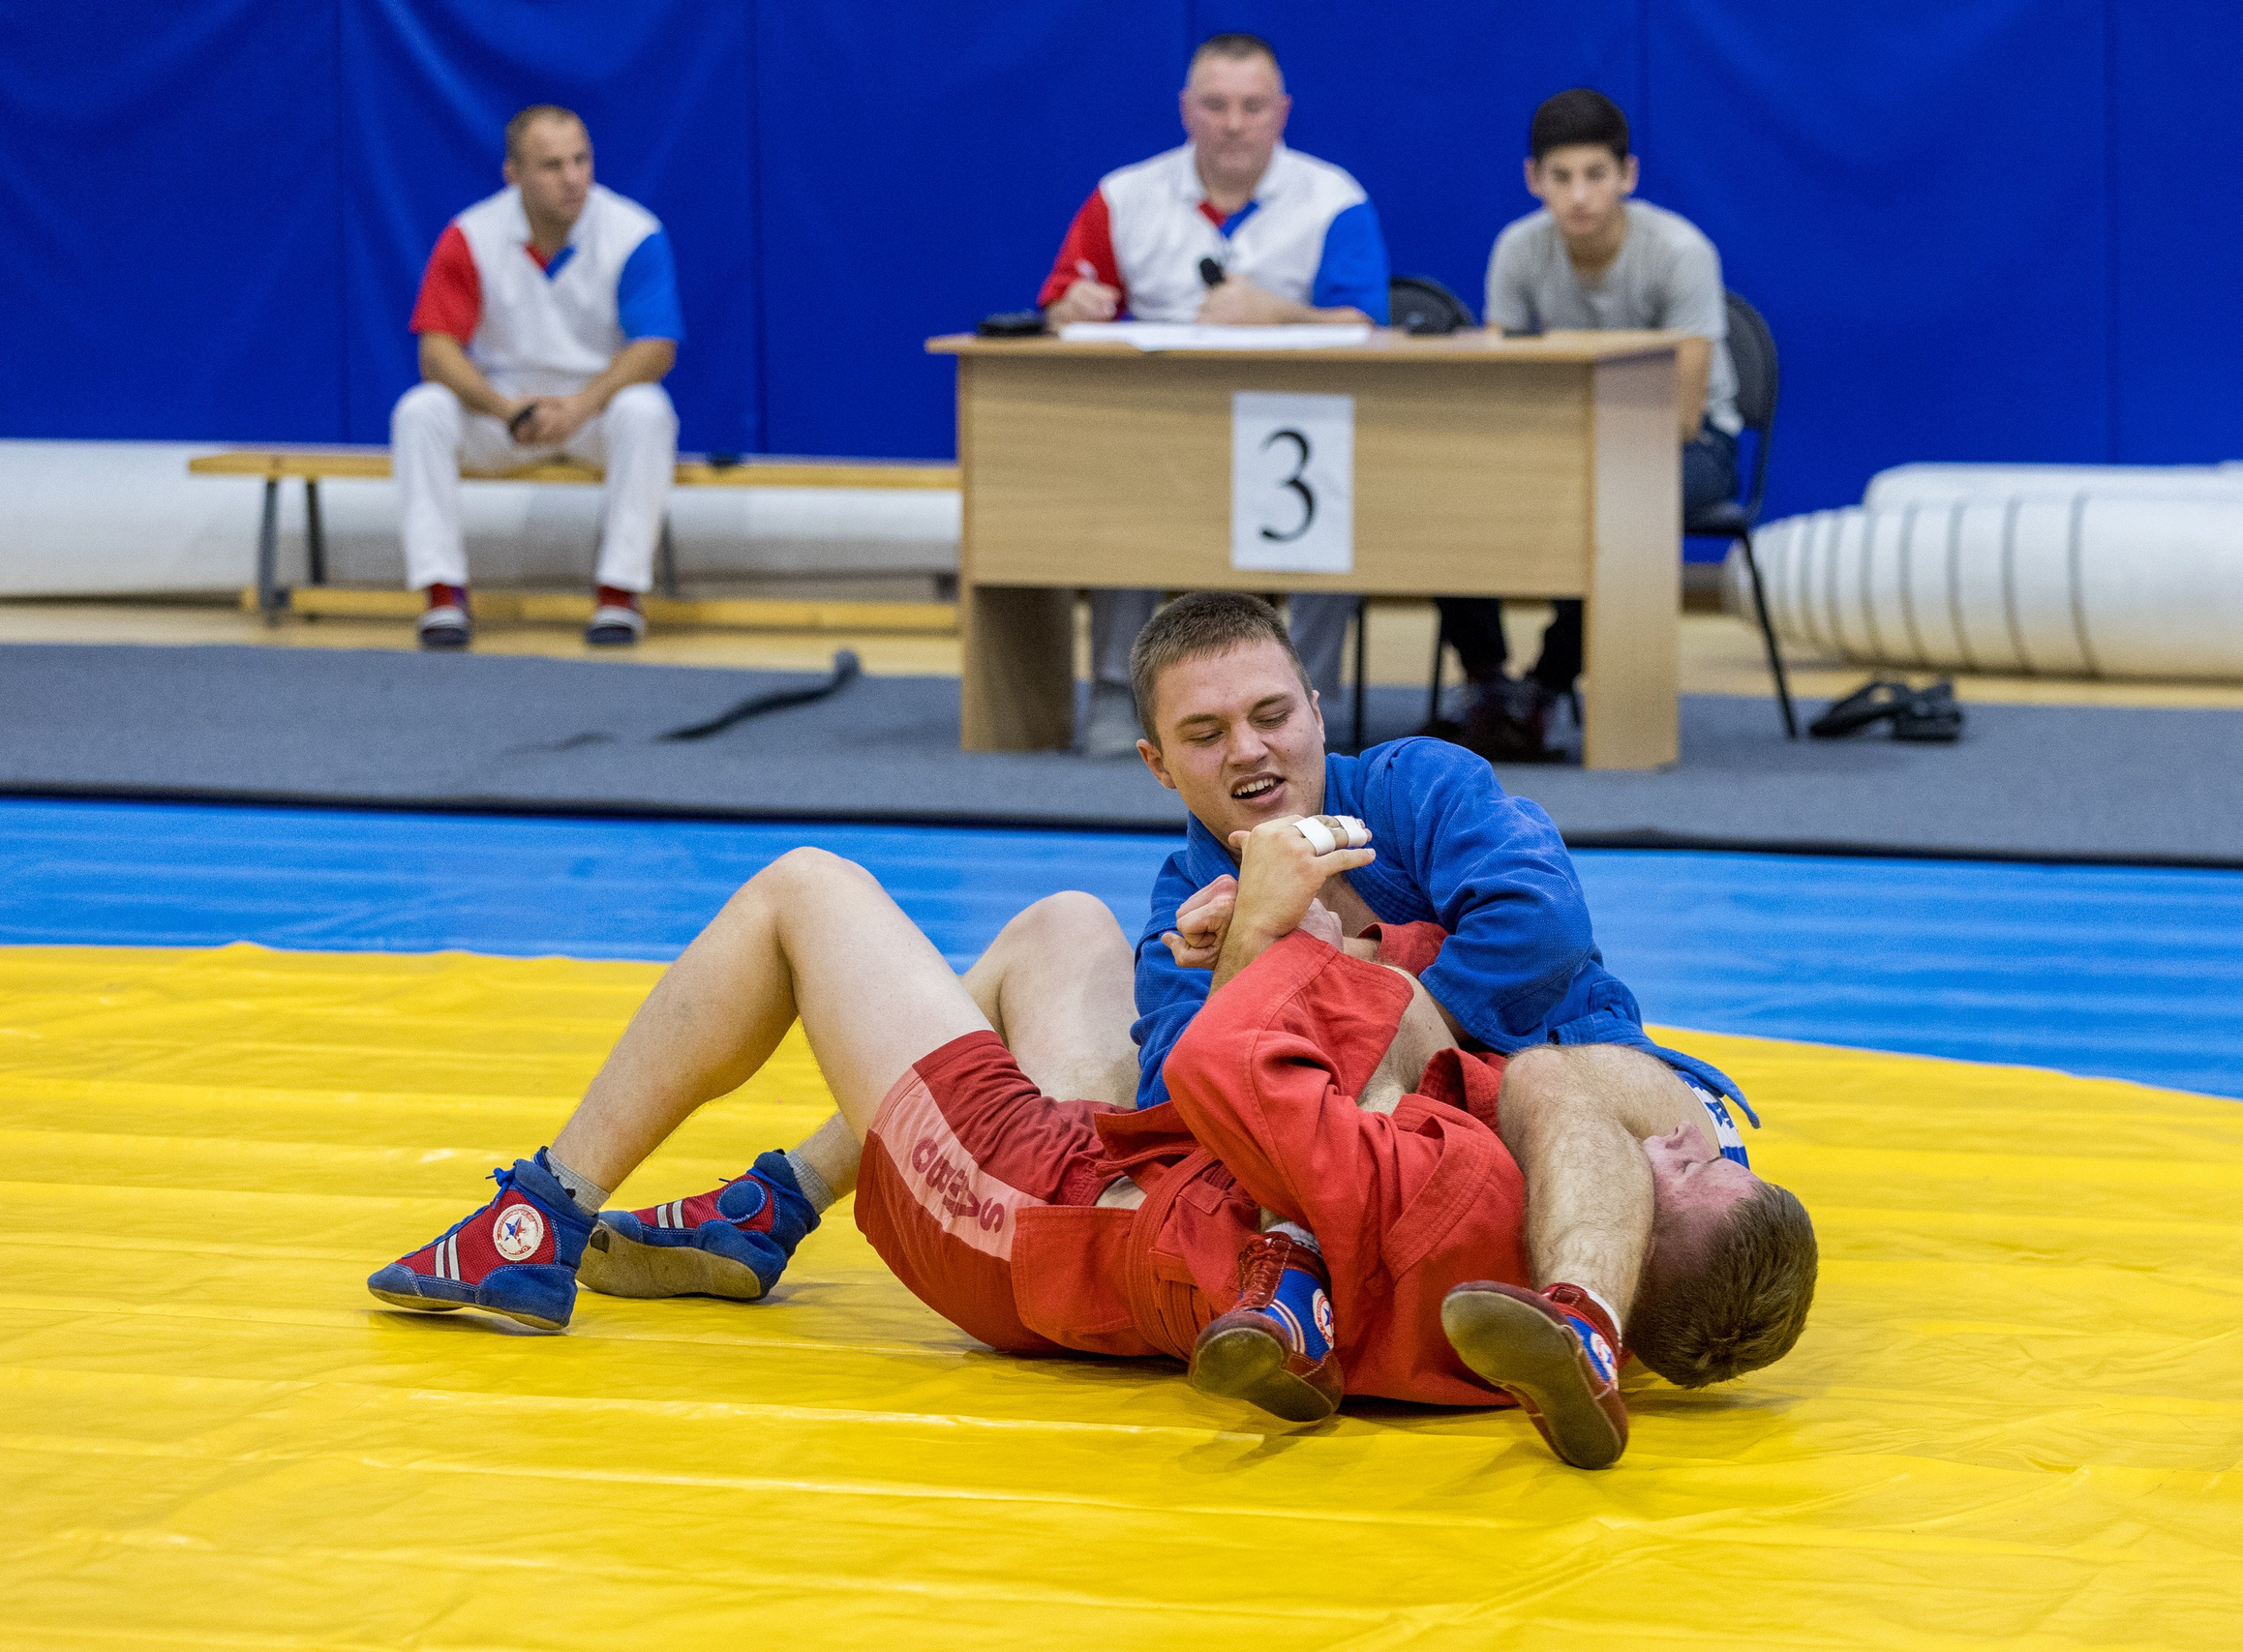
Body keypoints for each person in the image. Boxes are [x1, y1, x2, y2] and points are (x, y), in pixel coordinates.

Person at [364, 827, 1812, 1468]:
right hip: (1120, 1170)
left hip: (1030, 1206)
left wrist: (1291, 934)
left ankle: (535, 1219)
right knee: (1060, 922)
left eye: (1687, 1163)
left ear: (1625, 1217)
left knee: (807, 889)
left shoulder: (1474, 1175)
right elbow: (1594, 1093)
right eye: (1211, 731)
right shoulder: (1494, 1254)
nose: (1678, 1135)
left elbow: (1233, 1062)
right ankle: (771, 1205)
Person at [1126, 592, 1813, 1454]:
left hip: (1567, 1078)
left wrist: (1361, 986)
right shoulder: (1183, 912)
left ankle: (1321, 1274)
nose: (1251, 749)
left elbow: (1542, 917)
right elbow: (1182, 1111)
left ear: (1314, 703)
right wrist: (1251, 960)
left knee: (1421, 1041)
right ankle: (1564, 1318)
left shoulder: (1412, 785)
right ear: (1158, 763)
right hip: (1432, 1153)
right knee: (1312, 1061)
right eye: (1206, 733)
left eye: (1271, 714)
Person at [1036, 33, 1387, 757]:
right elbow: (1063, 298)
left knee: (1342, 505)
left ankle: (1307, 704)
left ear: (1281, 112)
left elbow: (1364, 321)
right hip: (1157, 429)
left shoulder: (1333, 198)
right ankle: (1117, 697)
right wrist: (1071, 309)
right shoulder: (1123, 196)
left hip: (1294, 432)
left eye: (1252, 106)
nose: (1233, 122)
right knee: (1111, 489)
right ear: (1185, 110)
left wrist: (1278, 311)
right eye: (1216, 104)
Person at [1435, 88, 1742, 760]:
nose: (1579, 196)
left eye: (1596, 176)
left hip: (1691, 445)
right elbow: (1502, 390)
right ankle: (1488, 682)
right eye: (1561, 177)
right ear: (1533, 179)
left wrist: (1579, 463)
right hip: (1564, 441)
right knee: (1446, 490)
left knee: (1618, 505)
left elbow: (1686, 416)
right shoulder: (1518, 249)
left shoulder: (1680, 252)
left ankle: (1543, 686)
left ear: (1627, 176)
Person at [393, 105, 683, 650]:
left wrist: (580, 405)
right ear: (514, 174)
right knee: (420, 411)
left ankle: (618, 595)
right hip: (505, 415)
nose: (573, 178)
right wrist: (506, 409)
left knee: (646, 411)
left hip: (595, 413)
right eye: (552, 166)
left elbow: (656, 349)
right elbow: (436, 352)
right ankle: (442, 594)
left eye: (582, 160)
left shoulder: (634, 233)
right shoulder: (470, 234)